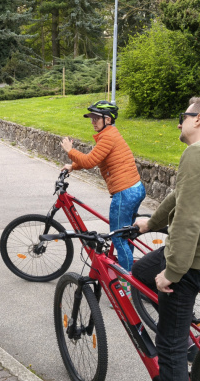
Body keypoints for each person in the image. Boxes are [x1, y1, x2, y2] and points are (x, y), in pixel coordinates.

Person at [132, 94, 200, 381]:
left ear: (198, 119)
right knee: (142, 271)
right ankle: (181, 322)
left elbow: (187, 219)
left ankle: (179, 334)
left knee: (169, 348)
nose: (179, 123)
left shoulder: (198, 153)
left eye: (183, 116)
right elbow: (180, 196)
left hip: (195, 260)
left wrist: (172, 271)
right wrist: (151, 224)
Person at [60, 100, 145, 279]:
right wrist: (72, 166)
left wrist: (70, 150)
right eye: (91, 117)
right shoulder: (109, 134)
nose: (93, 121)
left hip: (125, 193)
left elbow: (90, 162)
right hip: (134, 189)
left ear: (108, 119)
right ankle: (134, 276)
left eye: (97, 117)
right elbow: (96, 158)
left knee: (118, 239)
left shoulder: (108, 136)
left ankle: (127, 288)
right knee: (126, 236)